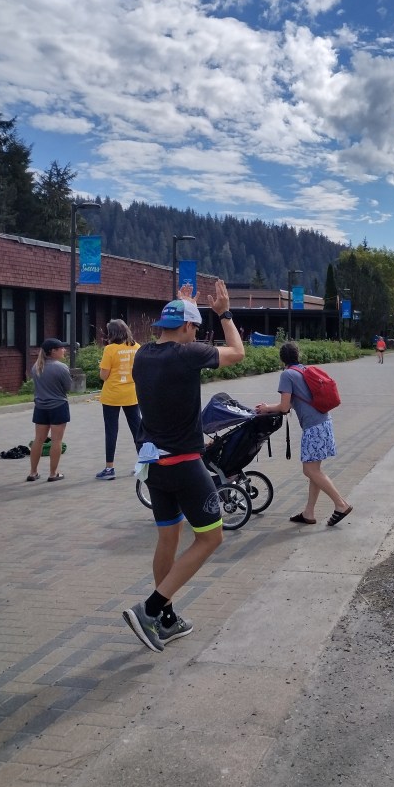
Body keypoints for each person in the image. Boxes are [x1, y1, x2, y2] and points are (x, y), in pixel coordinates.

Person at [122, 280, 245, 654]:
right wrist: (223, 312)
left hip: (154, 464)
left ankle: (167, 619)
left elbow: (175, 332)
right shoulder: (187, 354)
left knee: (168, 537)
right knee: (211, 538)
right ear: (189, 327)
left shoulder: (143, 354)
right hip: (185, 464)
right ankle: (150, 610)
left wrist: (183, 304)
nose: (196, 335)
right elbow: (237, 353)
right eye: (195, 327)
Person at [254, 342, 352, 527]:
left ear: (282, 358)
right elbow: (292, 403)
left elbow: (284, 407)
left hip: (313, 428)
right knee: (315, 471)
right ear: (298, 355)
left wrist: (266, 408)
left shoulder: (287, 374)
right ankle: (309, 513)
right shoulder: (303, 370)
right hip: (324, 422)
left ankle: (341, 504)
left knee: (310, 470)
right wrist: (272, 407)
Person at [96, 319, 141, 480]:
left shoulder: (110, 349)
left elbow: (104, 375)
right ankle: (143, 464)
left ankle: (109, 468)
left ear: (112, 333)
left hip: (112, 395)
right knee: (137, 430)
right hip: (132, 394)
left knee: (111, 431)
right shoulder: (137, 347)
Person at [27, 338, 71, 483]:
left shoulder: (36, 367)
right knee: (56, 440)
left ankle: (33, 472)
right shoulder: (61, 367)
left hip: (40, 407)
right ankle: (53, 473)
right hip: (58, 406)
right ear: (53, 351)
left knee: (38, 440)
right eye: (61, 348)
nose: (64, 350)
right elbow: (68, 387)